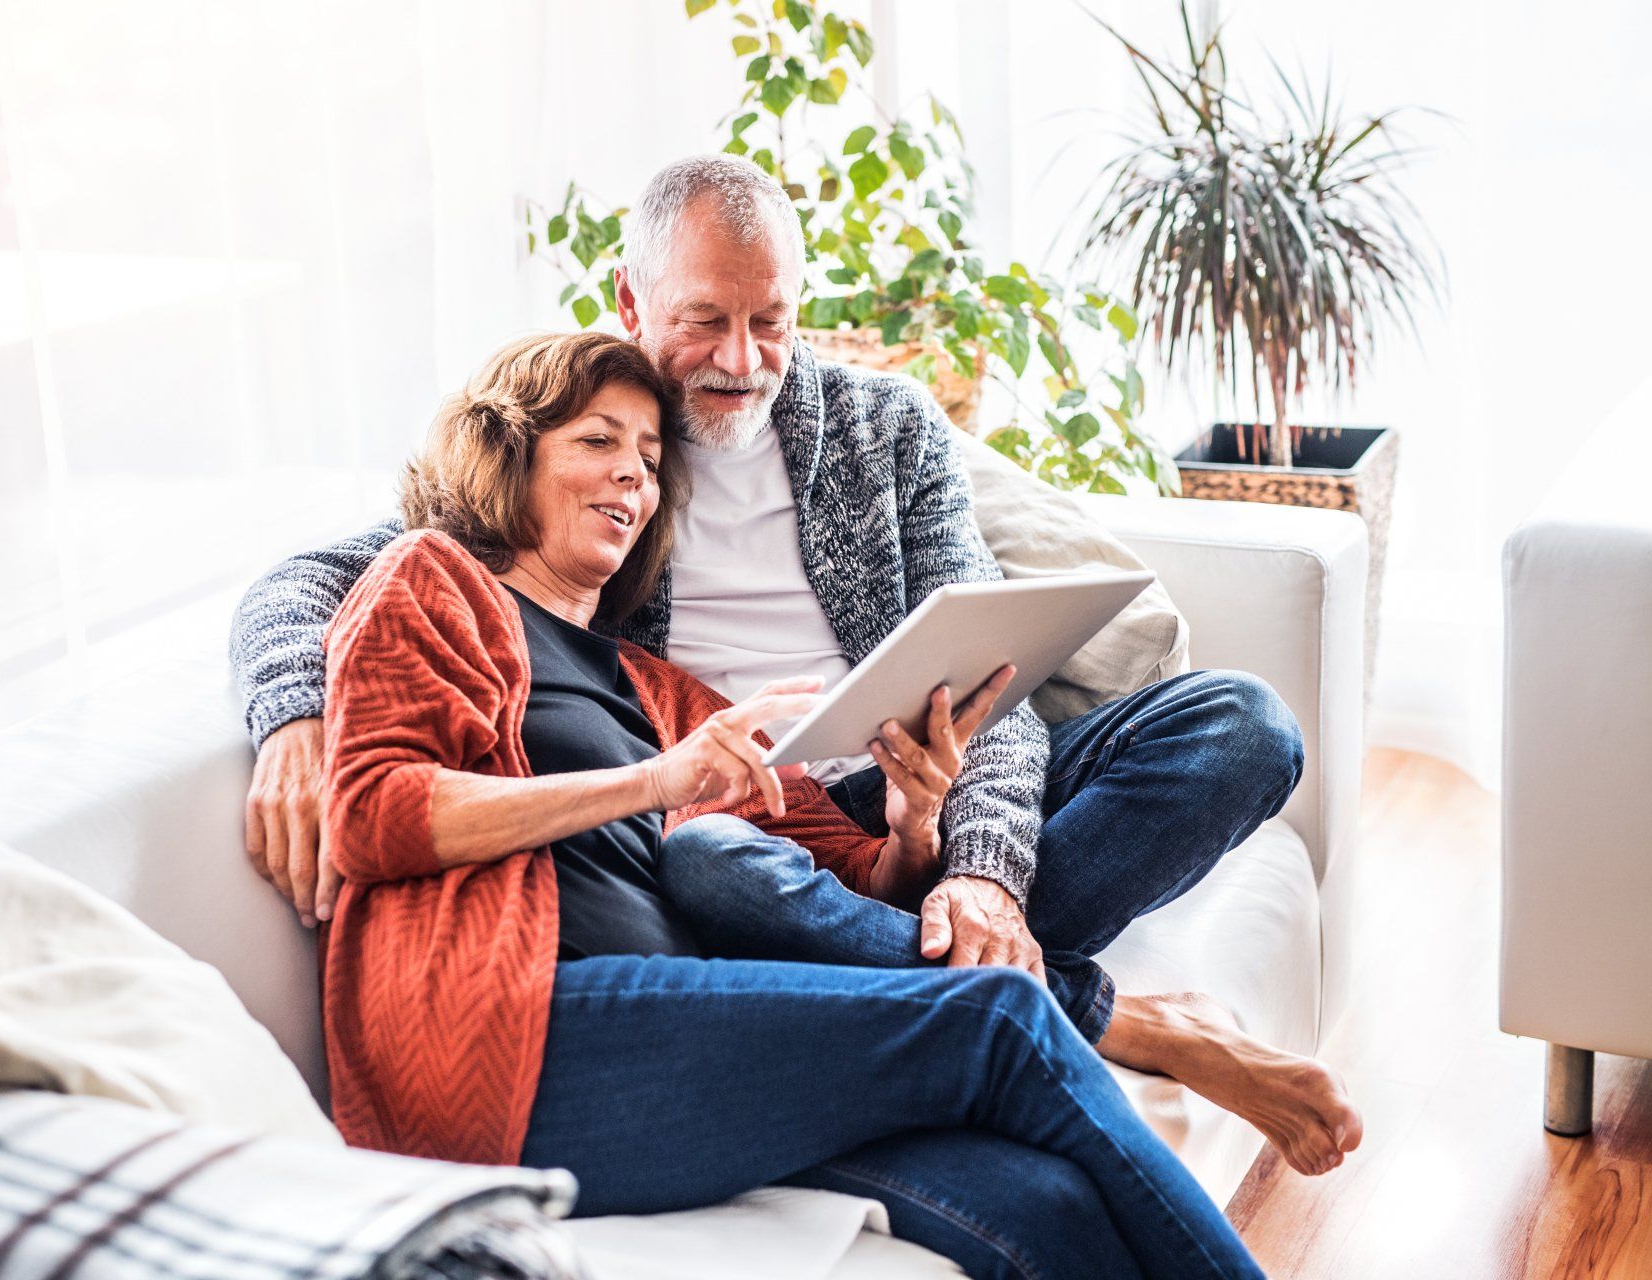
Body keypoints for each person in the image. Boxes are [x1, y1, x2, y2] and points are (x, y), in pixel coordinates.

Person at [230, 153, 1362, 1180]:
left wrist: (979, 864)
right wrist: (293, 719)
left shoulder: (885, 429)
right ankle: (1095, 1013)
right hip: (746, 815)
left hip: (912, 775)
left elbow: (996, 682)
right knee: (718, 866)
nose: (741, 359)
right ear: (631, 302)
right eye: (705, 320)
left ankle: (939, 960)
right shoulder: (585, 444)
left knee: (1241, 727)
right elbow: (316, 579)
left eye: (770, 321)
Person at [318, 326, 1264, 1279]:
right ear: (507, 450)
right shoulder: (432, 584)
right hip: (514, 1038)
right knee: (1001, 1020)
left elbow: (856, 880)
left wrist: (911, 827)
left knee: (1041, 1207)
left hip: (699, 1034)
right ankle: (1098, 1015)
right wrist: (655, 782)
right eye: (597, 443)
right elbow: (371, 814)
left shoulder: (659, 689)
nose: (631, 480)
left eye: (649, 460)